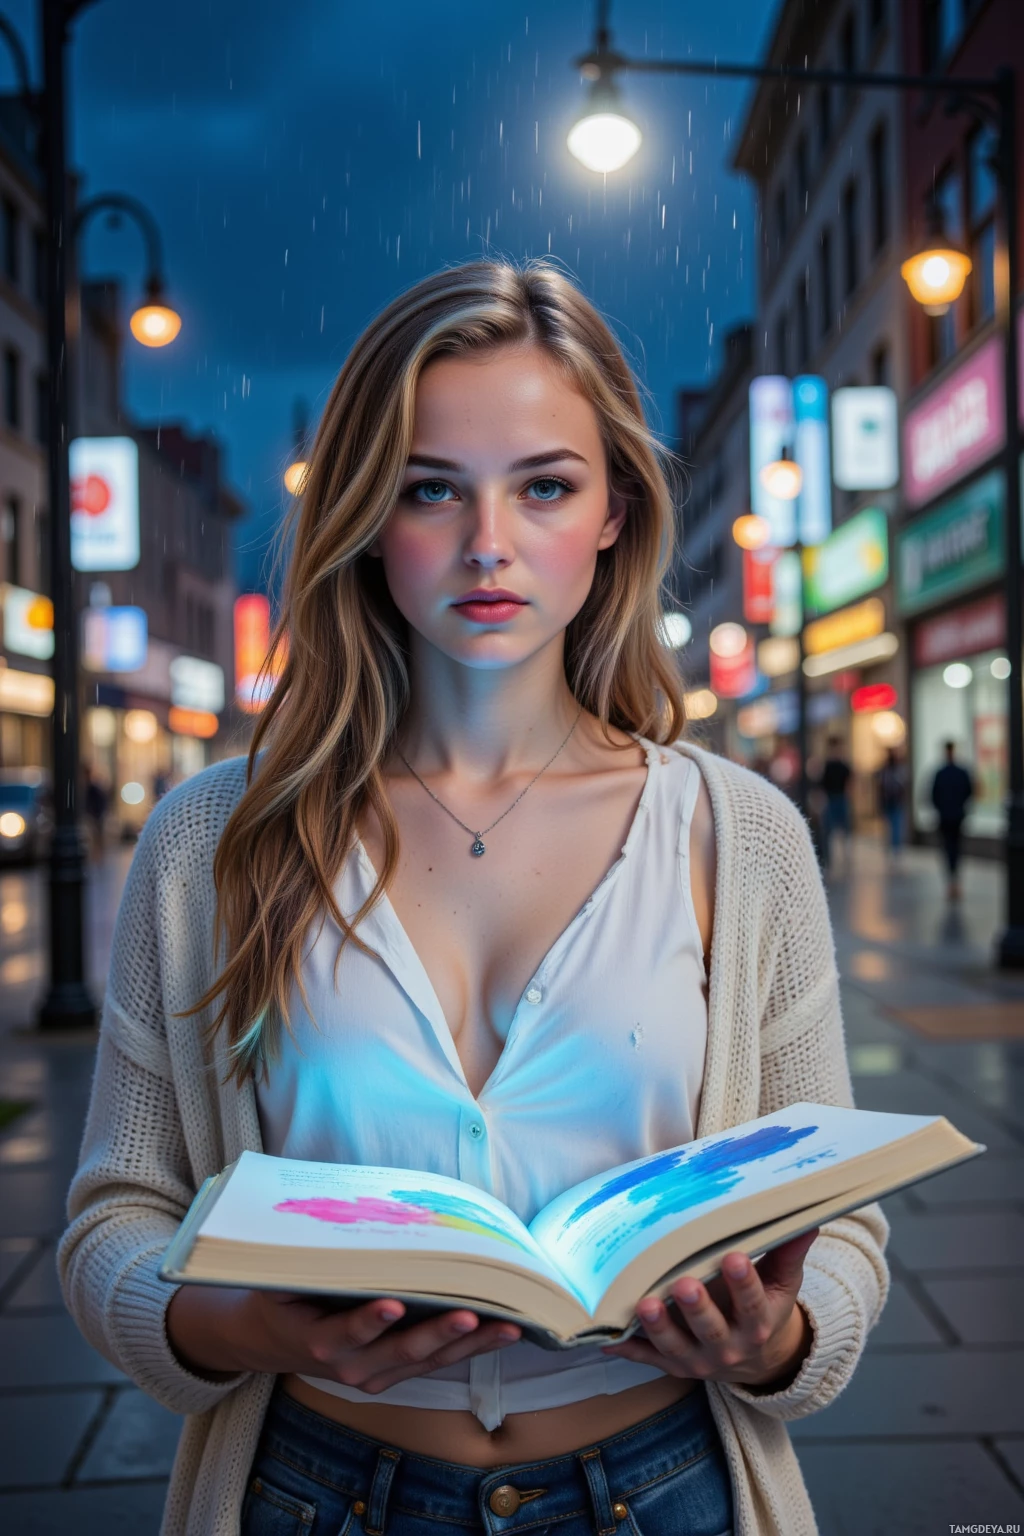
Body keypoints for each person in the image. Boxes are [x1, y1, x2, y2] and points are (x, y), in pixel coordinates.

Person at [58, 262, 887, 1536]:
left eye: (544, 485)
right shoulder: (215, 836)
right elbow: (117, 1216)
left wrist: (775, 1335)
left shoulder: (737, 833)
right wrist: (234, 1320)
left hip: (660, 1488)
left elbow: (838, 1224)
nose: (487, 542)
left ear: (613, 510)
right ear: (363, 515)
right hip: (317, 1489)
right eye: (429, 489)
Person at [931, 740, 974, 901]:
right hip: (956, 815)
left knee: (949, 847)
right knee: (955, 847)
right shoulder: (960, 772)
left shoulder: (942, 773)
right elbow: (969, 792)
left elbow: (933, 795)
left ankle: (952, 879)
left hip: (947, 816)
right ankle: (954, 879)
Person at [819, 735, 852, 874]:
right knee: (830, 830)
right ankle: (830, 859)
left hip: (841, 798)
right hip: (831, 799)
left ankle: (845, 856)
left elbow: (850, 782)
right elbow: (822, 784)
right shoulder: (827, 765)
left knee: (844, 829)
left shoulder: (844, 765)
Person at [876, 748, 907, 860]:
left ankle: (896, 847)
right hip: (888, 801)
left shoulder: (899, 769)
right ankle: (891, 845)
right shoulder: (885, 770)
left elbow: (903, 785)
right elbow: (881, 786)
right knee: (889, 825)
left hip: (896, 801)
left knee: (896, 825)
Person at [83, 769, 109, 862]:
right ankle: (96, 855)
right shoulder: (87, 788)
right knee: (94, 837)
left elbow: (101, 802)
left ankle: (98, 855)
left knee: (97, 837)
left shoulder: (93, 788)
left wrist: (97, 814)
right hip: (93, 816)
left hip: (96, 816)